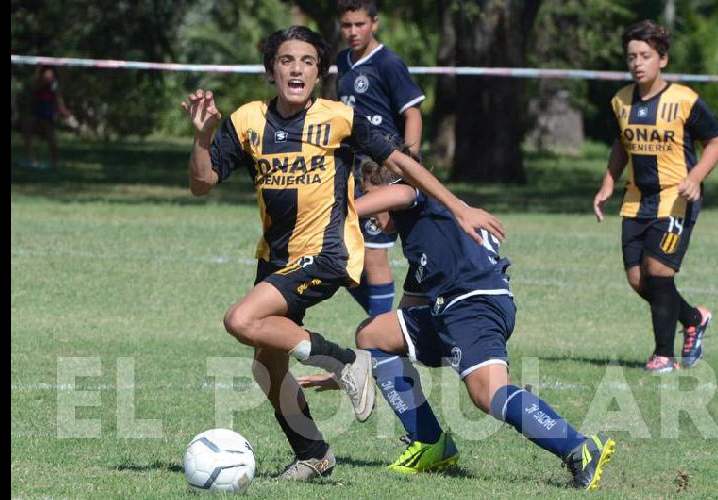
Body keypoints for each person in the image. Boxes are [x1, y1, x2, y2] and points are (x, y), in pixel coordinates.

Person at [180, 25, 505, 480]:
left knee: (240, 320)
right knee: (267, 369)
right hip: (275, 257)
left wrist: (459, 207)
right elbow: (202, 183)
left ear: (318, 73)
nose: (297, 69)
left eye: (308, 62)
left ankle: (347, 361)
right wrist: (202, 136)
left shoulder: (340, 117)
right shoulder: (246, 121)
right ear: (270, 70)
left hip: (328, 251)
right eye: (287, 60)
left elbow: (403, 163)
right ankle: (314, 452)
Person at [299, 144, 616, 490]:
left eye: (371, 195)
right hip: (455, 308)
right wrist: (352, 372)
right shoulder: (426, 233)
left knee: (488, 394)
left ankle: (579, 448)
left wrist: (331, 216)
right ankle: (429, 442)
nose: (373, 217)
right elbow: (402, 322)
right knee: (374, 333)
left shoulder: (413, 193)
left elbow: (395, 192)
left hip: (472, 305)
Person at [592, 20, 718, 374]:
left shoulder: (684, 99)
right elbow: (622, 144)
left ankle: (663, 356)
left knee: (658, 271)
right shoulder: (620, 101)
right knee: (639, 280)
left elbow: (715, 140)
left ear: (662, 59)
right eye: (632, 56)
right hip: (636, 199)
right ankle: (694, 319)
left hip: (675, 197)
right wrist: (608, 183)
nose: (637, 63)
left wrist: (696, 177)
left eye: (645, 56)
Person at [335, 0, 427, 317]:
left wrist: (407, 165)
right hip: (351, 169)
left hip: (382, 170)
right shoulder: (342, 62)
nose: (352, 32)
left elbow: (412, 114)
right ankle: (387, 324)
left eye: (359, 24)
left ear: (374, 23)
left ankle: (380, 343)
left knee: (374, 255)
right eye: (346, 25)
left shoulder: (388, 63)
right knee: (339, 255)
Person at [20, 65, 70, 169]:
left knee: (49, 136)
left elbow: (58, 96)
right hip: (37, 108)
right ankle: (32, 160)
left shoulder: (54, 84)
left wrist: (62, 109)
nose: (47, 76)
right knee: (26, 130)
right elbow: (35, 88)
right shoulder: (38, 82)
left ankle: (54, 162)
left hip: (46, 109)